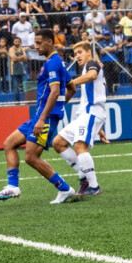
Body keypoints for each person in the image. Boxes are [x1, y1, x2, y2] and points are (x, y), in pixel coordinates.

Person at [0, 29, 74, 201]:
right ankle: (12, 187)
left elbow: (54, 91)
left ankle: (65, 189)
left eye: (38, 43)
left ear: (50, 42)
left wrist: (46, 116)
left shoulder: (53, 63)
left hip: (43, 118)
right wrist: (58, 107)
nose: (35, 46)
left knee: (31, 157)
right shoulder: (55, 61)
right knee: (9, 143)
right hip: (39, 116)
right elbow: (72, 88)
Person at [51, 41, 109, 201]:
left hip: (91, 112)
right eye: (75, 54)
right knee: (58, 142)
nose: (77, 56)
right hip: (85, 114)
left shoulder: (92, 64)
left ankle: (94, 186)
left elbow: (92, 75)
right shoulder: (85, 68)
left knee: (79, 146)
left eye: (80, 53)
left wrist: (70, 82)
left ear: (88, 53)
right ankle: (84, 177)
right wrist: (100, 128)